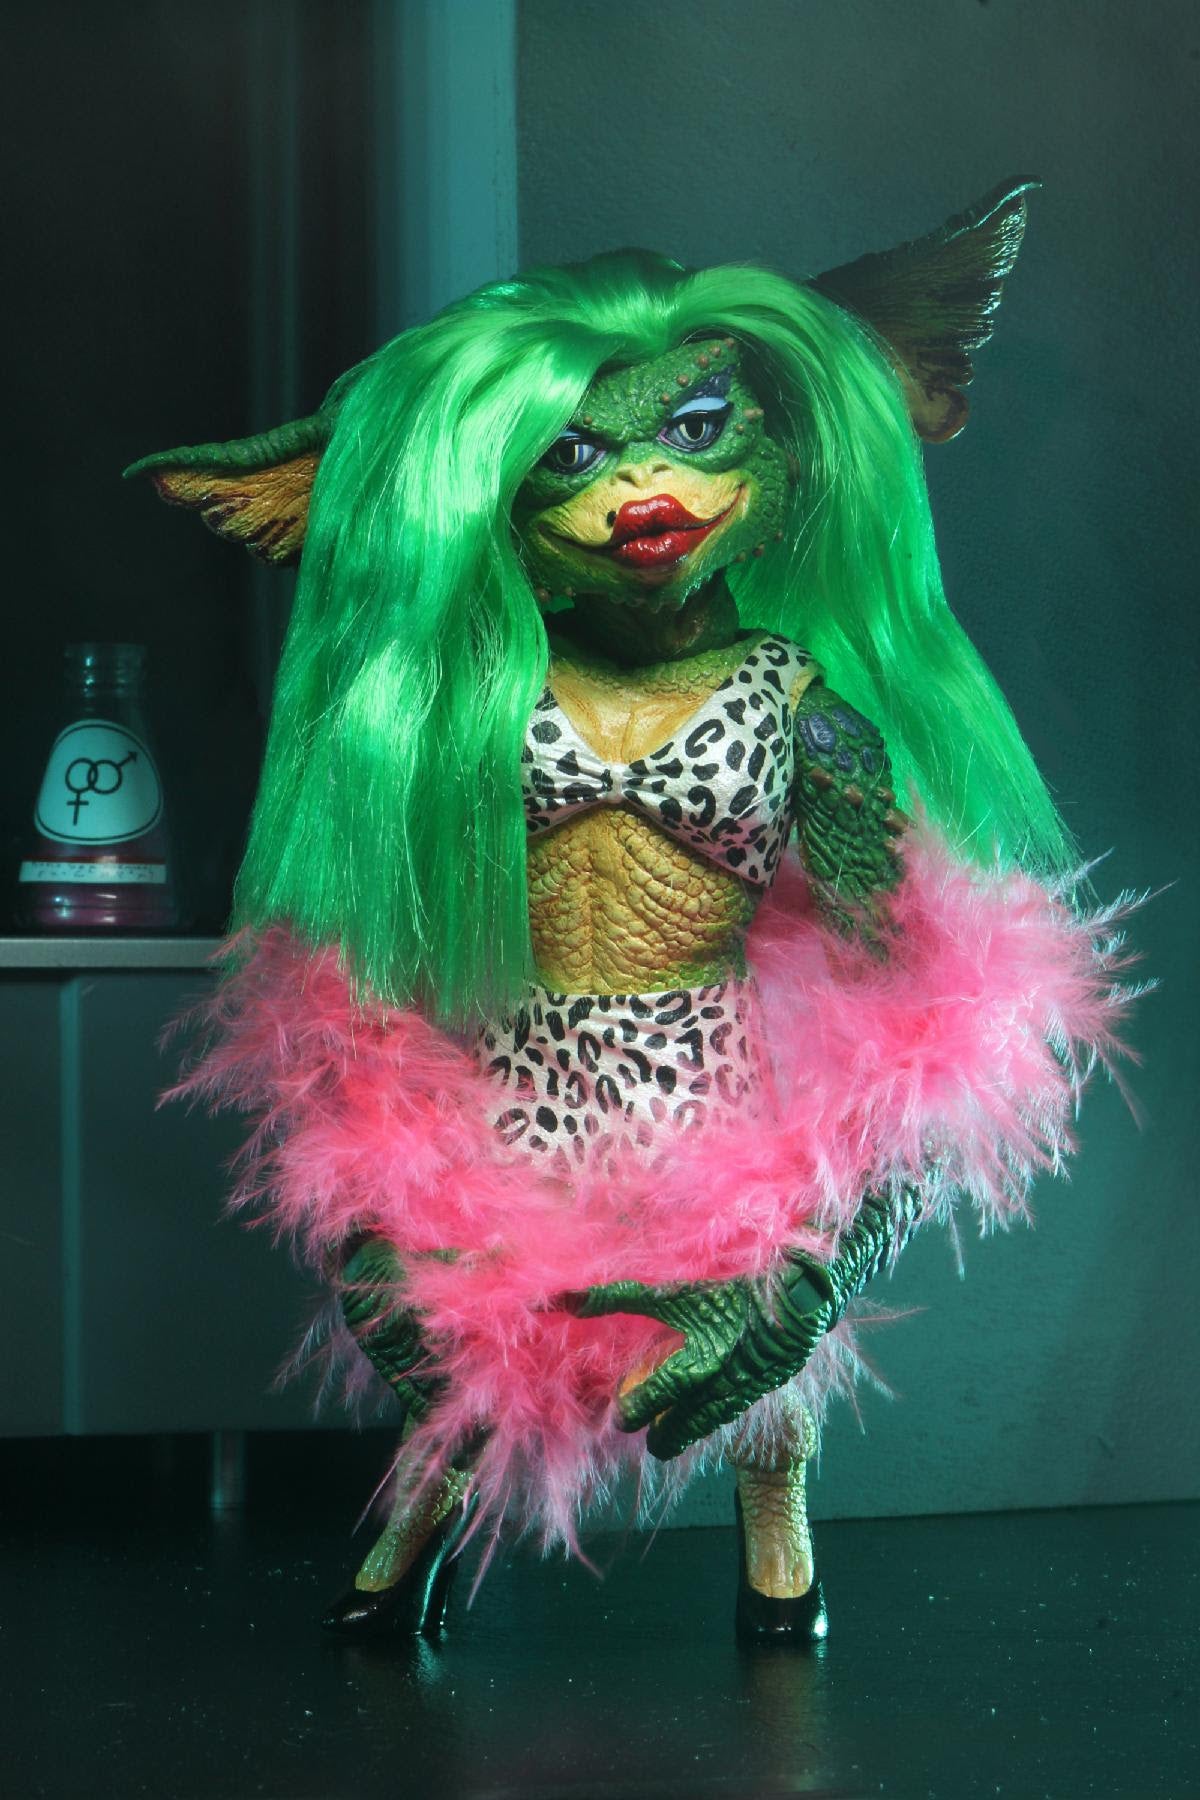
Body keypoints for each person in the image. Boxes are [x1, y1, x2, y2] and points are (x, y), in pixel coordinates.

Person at [131, 181, 1132, 1642]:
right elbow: (358, 967)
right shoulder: (467, 704)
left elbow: (908, 1009)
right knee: (465, 1358)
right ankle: (406, 1555)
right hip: (505, 1068)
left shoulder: (807, 713)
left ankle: (780, 1558)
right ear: (491, 502)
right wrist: (367, 1196)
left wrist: (824, 1254)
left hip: (718, 1083)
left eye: (698, 427)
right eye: (572, 455)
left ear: (780, 452)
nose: (645, 482)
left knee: (757, 1371)